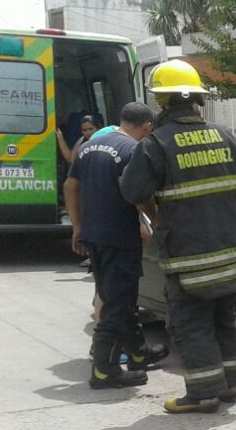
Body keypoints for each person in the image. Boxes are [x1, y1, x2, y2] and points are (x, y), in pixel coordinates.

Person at [120, 60, 236, 414]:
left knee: (191, 323)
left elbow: (131, 188)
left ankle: (203, 394)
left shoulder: (156, 143)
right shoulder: (224, 135)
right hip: (230, 252)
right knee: (223, 319)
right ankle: (227, 388)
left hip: (188, 258)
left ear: (162, 102)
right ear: (197, 98)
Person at [63, 102, 168, 388]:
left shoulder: (89, 146)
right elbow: (139, 194)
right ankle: (104, 370)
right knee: (116, 304)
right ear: (147, 127)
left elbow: (70, 187)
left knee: (121, 298)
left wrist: (77, 226)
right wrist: (154, 218)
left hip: (94, 237)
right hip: (119, 238)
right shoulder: (133, 150)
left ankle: (137, 353)